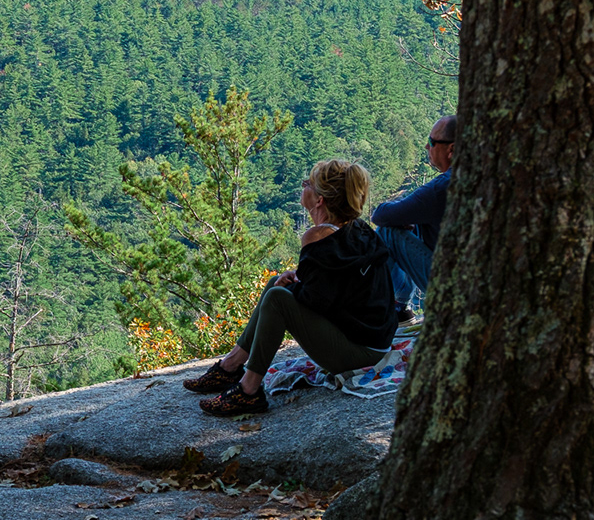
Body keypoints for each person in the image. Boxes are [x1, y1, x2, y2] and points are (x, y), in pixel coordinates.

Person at [183, 159, 396, 417]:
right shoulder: (356, 227)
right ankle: (231, 366)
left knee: (277, 296)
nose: (303, 186)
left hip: (361, 353)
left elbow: (316, 301)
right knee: (277, 282)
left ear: (319, 201)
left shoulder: (318, 237)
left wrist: (296, 287)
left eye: (308, 183)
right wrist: (299, 280)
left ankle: (248, 391)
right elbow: (339, 287)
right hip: (375, 342)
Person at [371, 114, 456, 318]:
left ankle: (390, 307)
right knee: (414, 224)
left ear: (451, 149)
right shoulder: (483, 177)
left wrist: (404, 218)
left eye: (431, 142)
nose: (427, 148)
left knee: (389, 231)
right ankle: (399, 306)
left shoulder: (442, 187)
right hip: (472, 280)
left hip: (451, 287)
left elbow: (380, 215)